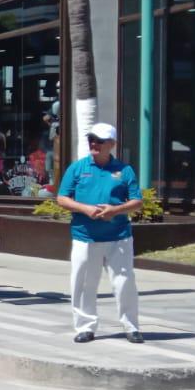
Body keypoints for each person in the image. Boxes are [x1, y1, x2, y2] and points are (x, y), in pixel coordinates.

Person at [56, 123, 143, 344]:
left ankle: (131, 326)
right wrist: (85, 208)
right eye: (91, 140)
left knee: (125, 283)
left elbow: (137, 201)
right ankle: (85, 327)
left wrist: (115, 210)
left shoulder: (124, 170)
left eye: (99, 141)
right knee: (83, 283)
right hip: (85, 235)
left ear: (112, 144)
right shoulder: (77, 168)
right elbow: (62, 198)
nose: (94, 144)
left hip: (119, 235)